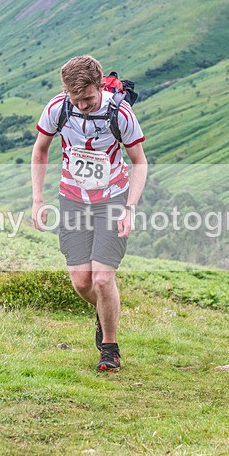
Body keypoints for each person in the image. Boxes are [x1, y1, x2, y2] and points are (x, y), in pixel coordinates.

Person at [31, 55, 147, 372]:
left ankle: (109, 348)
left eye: (88, 98)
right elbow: (40, 150)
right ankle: (107, 310)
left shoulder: (119, 112)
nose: (82, 105)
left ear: (98, 87)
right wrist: (38, 200)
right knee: (83, 282)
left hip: (112, 199)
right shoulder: (58, 108)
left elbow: (140, 162)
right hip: (72, 198)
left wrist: (130, 208)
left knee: (103, 278)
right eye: (76, 99)